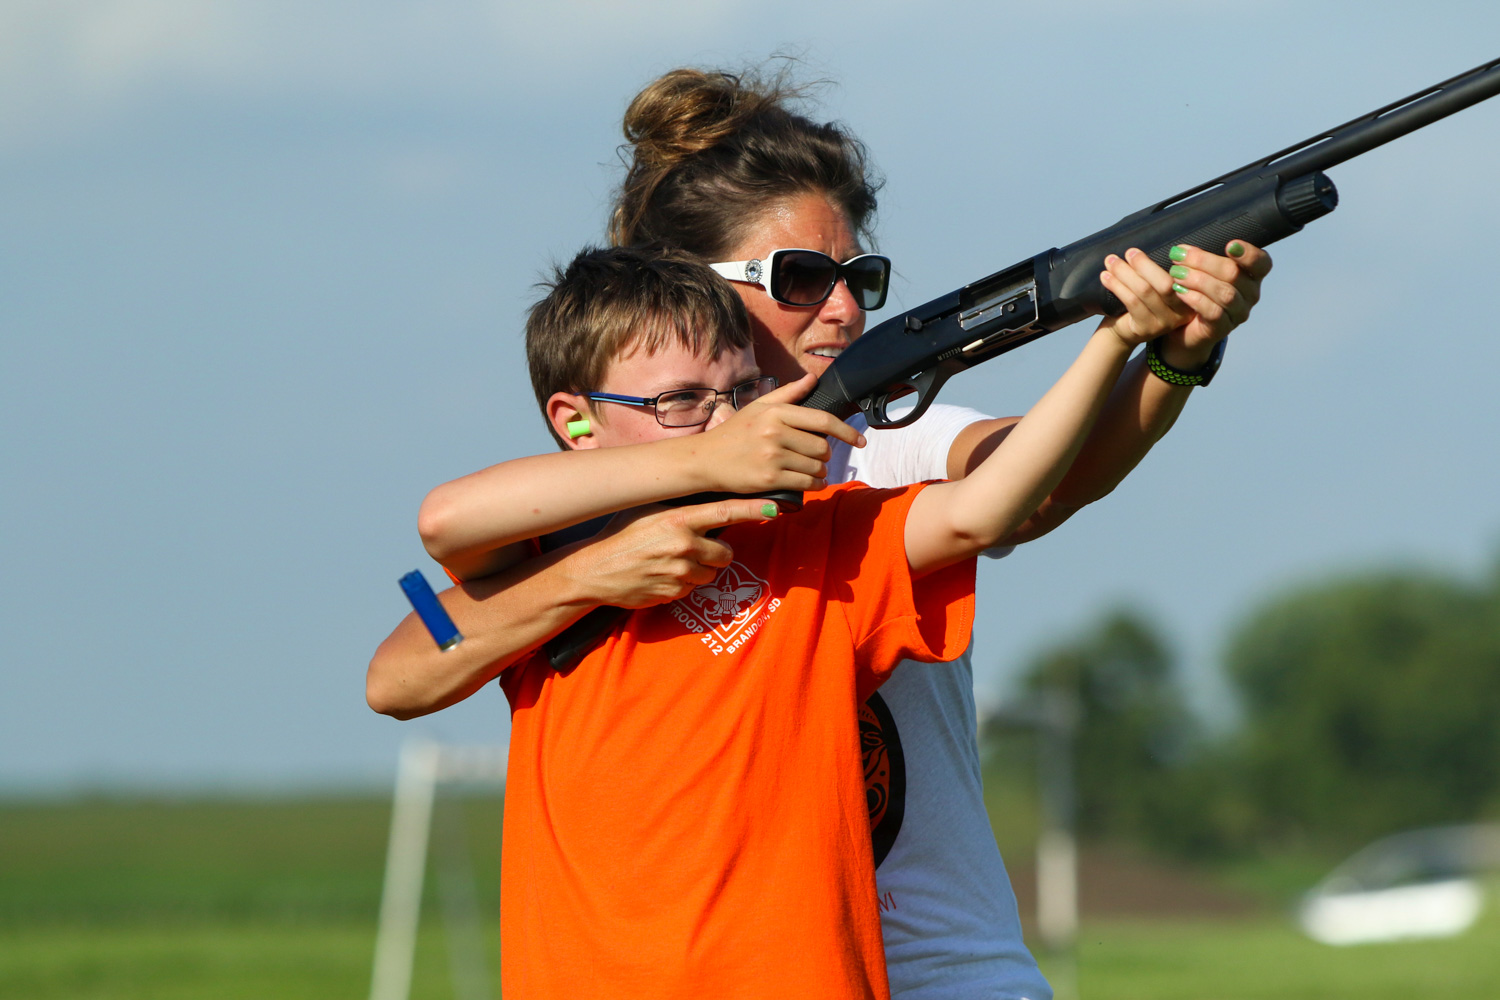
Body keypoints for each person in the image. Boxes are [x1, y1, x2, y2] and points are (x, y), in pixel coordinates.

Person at [406, 67, 1272, 1000]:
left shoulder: (890, 440)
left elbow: (1029, 484)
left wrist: (1171, 357)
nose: (847, 308)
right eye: (804, 278)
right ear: (684, 285)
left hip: (943, 964)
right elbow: (414, 640)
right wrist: (623, 544)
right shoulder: (592, 497)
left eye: (860, 276)